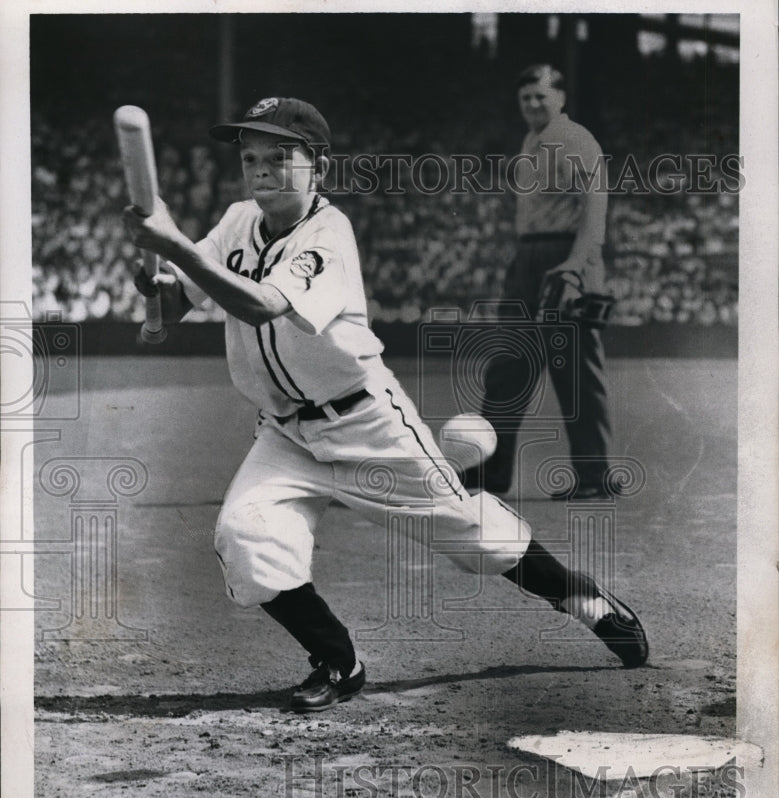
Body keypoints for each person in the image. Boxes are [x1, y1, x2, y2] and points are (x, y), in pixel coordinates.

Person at [122, 95, 648, 713]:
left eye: (279, 155)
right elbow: (184, 298)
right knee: (245, 535)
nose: (261, 167)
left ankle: (585, 601)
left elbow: (261, 303)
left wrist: (176, 246)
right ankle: (338, 661)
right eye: (251, 156)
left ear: (317, 163)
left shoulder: (328, 233)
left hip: (366, 422)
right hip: (286, 436)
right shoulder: (237, 221)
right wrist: (158, 287)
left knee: (475, 536)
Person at [465, 64, 619, 499]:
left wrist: (575, 267)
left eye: (540, 96)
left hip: (563, 256)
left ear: (561, 98)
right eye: (526, 98)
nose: (533, 104)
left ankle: (595, 476)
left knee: (574, 373)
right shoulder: (531, 141)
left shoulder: (575, 139)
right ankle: (488, 477)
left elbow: (595, 207)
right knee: (507, 367)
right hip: (530, 256)